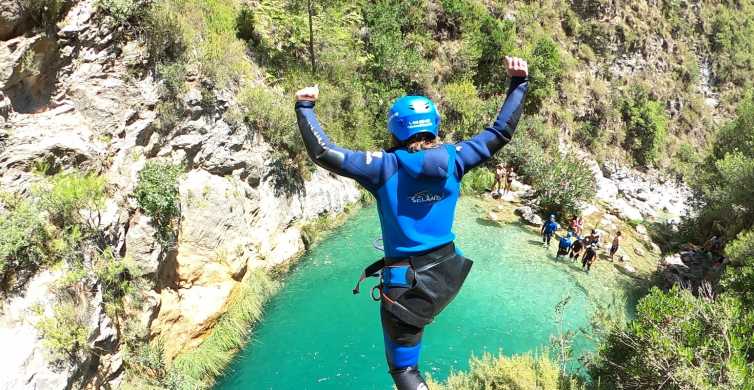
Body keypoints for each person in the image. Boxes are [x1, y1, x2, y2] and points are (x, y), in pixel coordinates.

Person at [294, 56, 529, 390]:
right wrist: (518, 84)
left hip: (406, 286)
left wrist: (305, 106)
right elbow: (500, 132)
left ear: (394, 129)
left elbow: (323, 152)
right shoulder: (456, 158)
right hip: (448, 275)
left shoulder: (382, 166)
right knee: (416, 330)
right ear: (434, 126)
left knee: (405, 371)